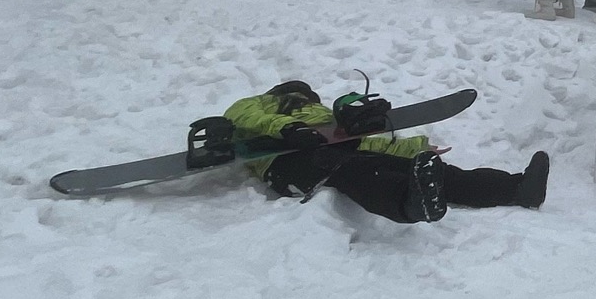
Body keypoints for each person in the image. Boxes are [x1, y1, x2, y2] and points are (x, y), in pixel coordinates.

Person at [225, 79, 547, 223]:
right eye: (302, 95)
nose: (308, 100)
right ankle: (406, 206)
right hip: (285, 164)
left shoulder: (322, 115)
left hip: (331, 154)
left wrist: (416, 150)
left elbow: (363, 142)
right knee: (352, 170)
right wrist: (285, 128)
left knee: (425, 171)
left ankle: (516, 189)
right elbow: (240, 116)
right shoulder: (258, 106)